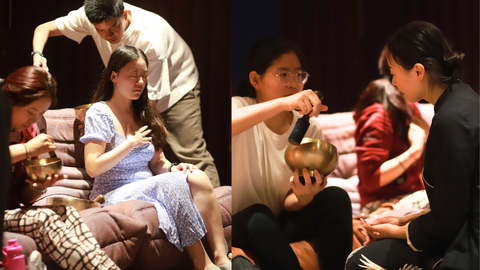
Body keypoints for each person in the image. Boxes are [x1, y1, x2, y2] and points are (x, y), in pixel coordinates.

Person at [31, 0, 220, 188]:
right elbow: (43, 29)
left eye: (113, 28)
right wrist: (38, 54)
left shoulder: (151, 37)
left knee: (190, 153)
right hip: (121, 177)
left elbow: (149, 102)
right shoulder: (90, 17)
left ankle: (218, 204)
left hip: (178, 85)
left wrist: (138, 136)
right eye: (100, 30)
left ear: (125, 15)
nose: (107, 36)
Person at [81, 45, 230, 270]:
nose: (140, 82)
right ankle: (204, 264)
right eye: (133, 74)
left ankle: (223, 258)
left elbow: (157, 162)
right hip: (112, 192)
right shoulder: (99, 112)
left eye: (144, 76)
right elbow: (93, 167)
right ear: (114, 75)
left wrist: (172, 169)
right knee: (168, 185)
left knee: (197, 176)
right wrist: (129, 144)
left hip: (148, 184)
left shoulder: (144, 113)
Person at [345, 21, 479, 270]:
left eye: (394, 72)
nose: (392, 82)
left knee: (359, 261)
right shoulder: (465, 99)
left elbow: (451, 217)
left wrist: (398, 230)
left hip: (470, 245)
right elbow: (454, 203)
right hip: (458, 226)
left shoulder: (451, 119)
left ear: (418, 71)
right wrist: (404, 219)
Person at [231, 38, 353, 270]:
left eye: (298, 75)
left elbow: (287, 200)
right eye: (283, 74)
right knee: (258, 214)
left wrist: (303, 196)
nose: (294, 83)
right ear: (255, 79)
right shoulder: (239, 107)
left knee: (336, 197)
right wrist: (284, 104)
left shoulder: (309, 127)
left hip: (275, 224)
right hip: (240, 225)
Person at [3, 66, 120, 270]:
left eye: (39, 114)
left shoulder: (27, 132)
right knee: (45, 217)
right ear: (10, 99)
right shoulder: (25, 141)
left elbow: (24, 196)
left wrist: (39, 185)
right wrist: (27, 149)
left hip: (10, 209)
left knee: (66, 213)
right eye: (31, 112)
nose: (33, 120)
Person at [354, 76, 429, 215]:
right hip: (380, 204)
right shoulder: (379, 116)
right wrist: (415, 150)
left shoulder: (411, 108)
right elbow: (370, 180)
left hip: (412, 195)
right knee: (446, 197)